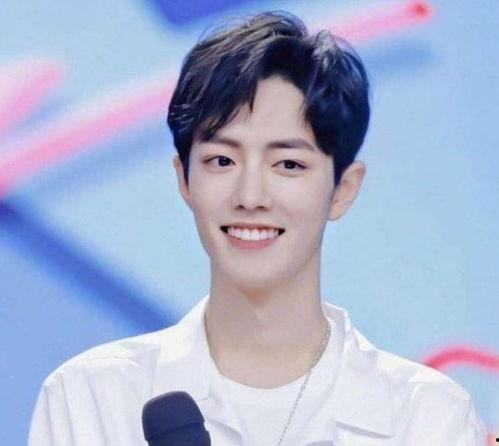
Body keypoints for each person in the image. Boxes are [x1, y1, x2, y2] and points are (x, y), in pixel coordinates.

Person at [28, 10, 487, 446]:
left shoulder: (425, 416)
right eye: (221, 161)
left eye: (288, 164)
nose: (251, 195)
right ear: (184, 179)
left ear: (342, 189)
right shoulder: (91, 398)